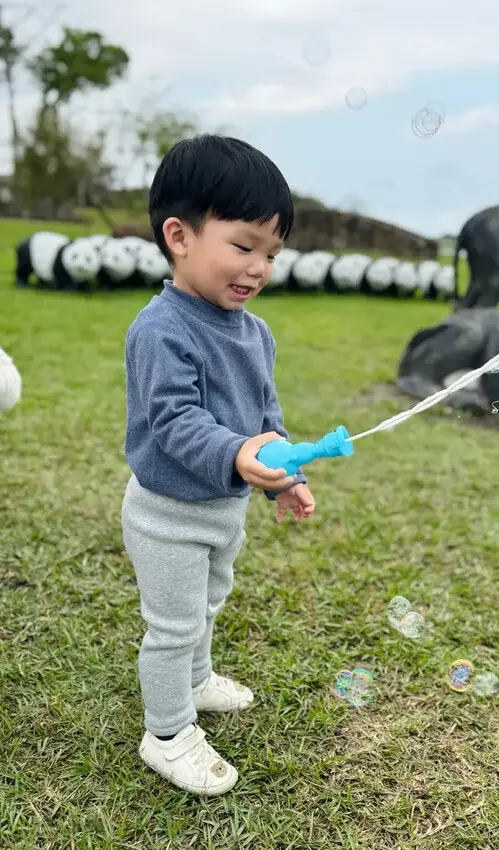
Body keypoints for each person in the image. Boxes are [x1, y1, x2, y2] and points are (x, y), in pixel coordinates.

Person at [121, 134, 316, 796]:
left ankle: (197, 681)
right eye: (243, 246)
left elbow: (266, 416)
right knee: (172, 625)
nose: (258, 268)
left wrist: (283, 473)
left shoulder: (255, 332)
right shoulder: (161, 329)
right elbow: (176, 423)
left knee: (207, 604)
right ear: (179, 235)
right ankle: (168, 734)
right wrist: (236, 454)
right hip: (168, 515)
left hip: (221, 508)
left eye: (271, 254)